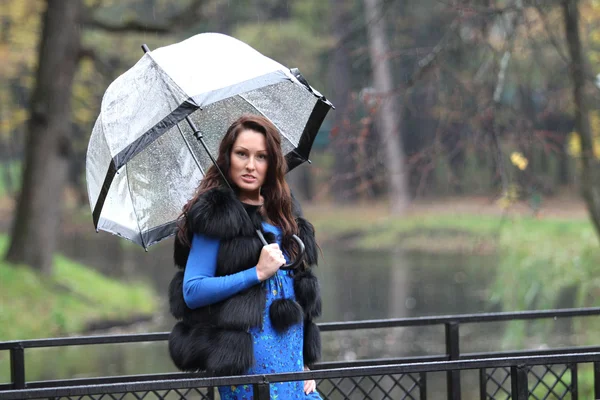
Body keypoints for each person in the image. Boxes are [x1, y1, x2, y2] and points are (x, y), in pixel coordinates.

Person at [167, 114, 322, 399]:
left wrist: (304, 361)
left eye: (261, 156)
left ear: (272, 162)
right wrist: (256, 273)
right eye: (242, 154)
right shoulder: (216, 215)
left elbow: (296, 292)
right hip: (246, 362)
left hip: (292, 360)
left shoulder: (285, 214)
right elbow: (192, 290)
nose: (251, 165)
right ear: (228, 157)